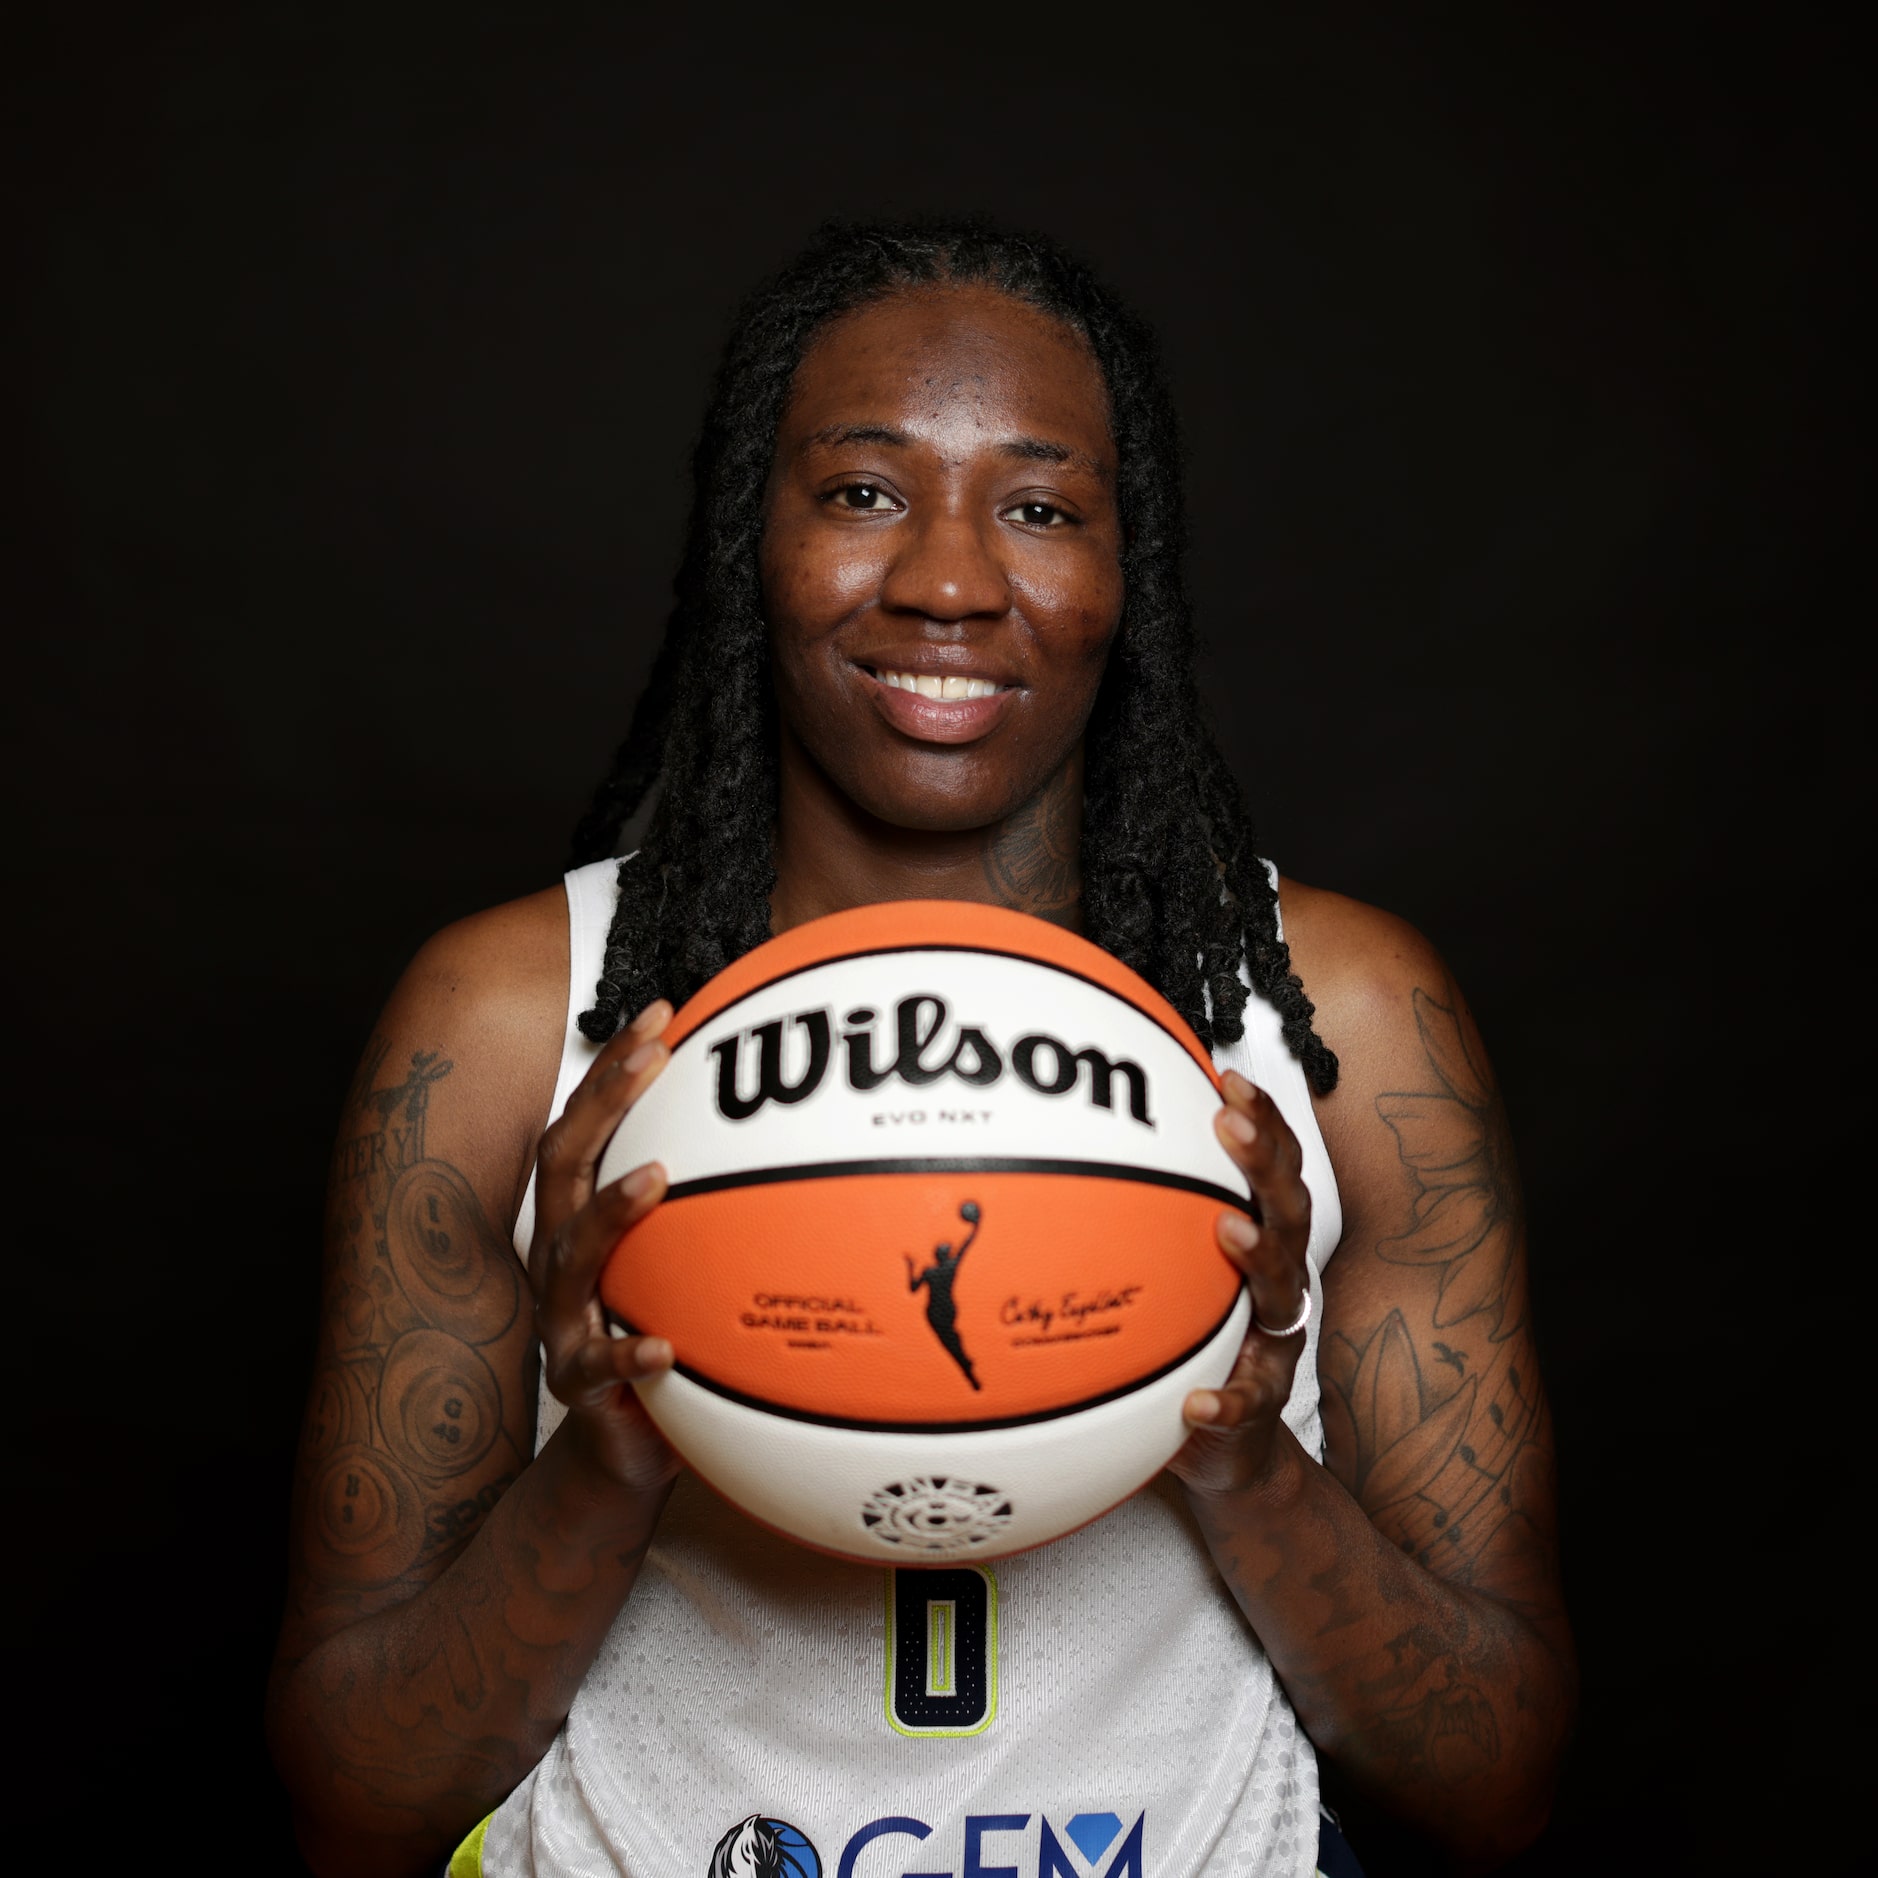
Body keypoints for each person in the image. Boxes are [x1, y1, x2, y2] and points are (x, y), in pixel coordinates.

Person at [266, 220, 1574, 1878]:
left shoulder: (1346, 1021)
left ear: (1129, 574)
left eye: (1038, 507)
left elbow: (1495, 1782)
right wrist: (606, 1457)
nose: (948, 581)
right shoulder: (513, 1019)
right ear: (755, 533)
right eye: (862, 491)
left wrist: (1239, 1448)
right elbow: (354, 1799)